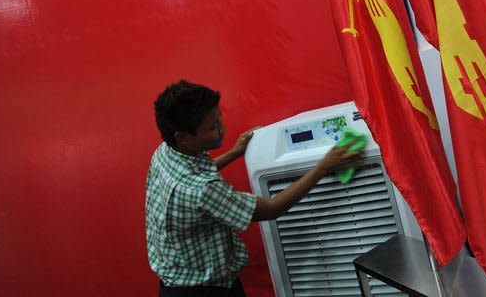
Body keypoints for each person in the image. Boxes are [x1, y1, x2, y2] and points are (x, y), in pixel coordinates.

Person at [146, 80, 362, 297]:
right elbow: (270, 208)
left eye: (219, 118)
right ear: (182, 137)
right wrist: (322, 167)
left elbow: (197, 173)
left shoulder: (165, 152)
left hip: (178, 279)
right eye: (213, 127)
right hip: (205, 291)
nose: (222, 129)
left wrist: (234, 153)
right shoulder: (202, 191)